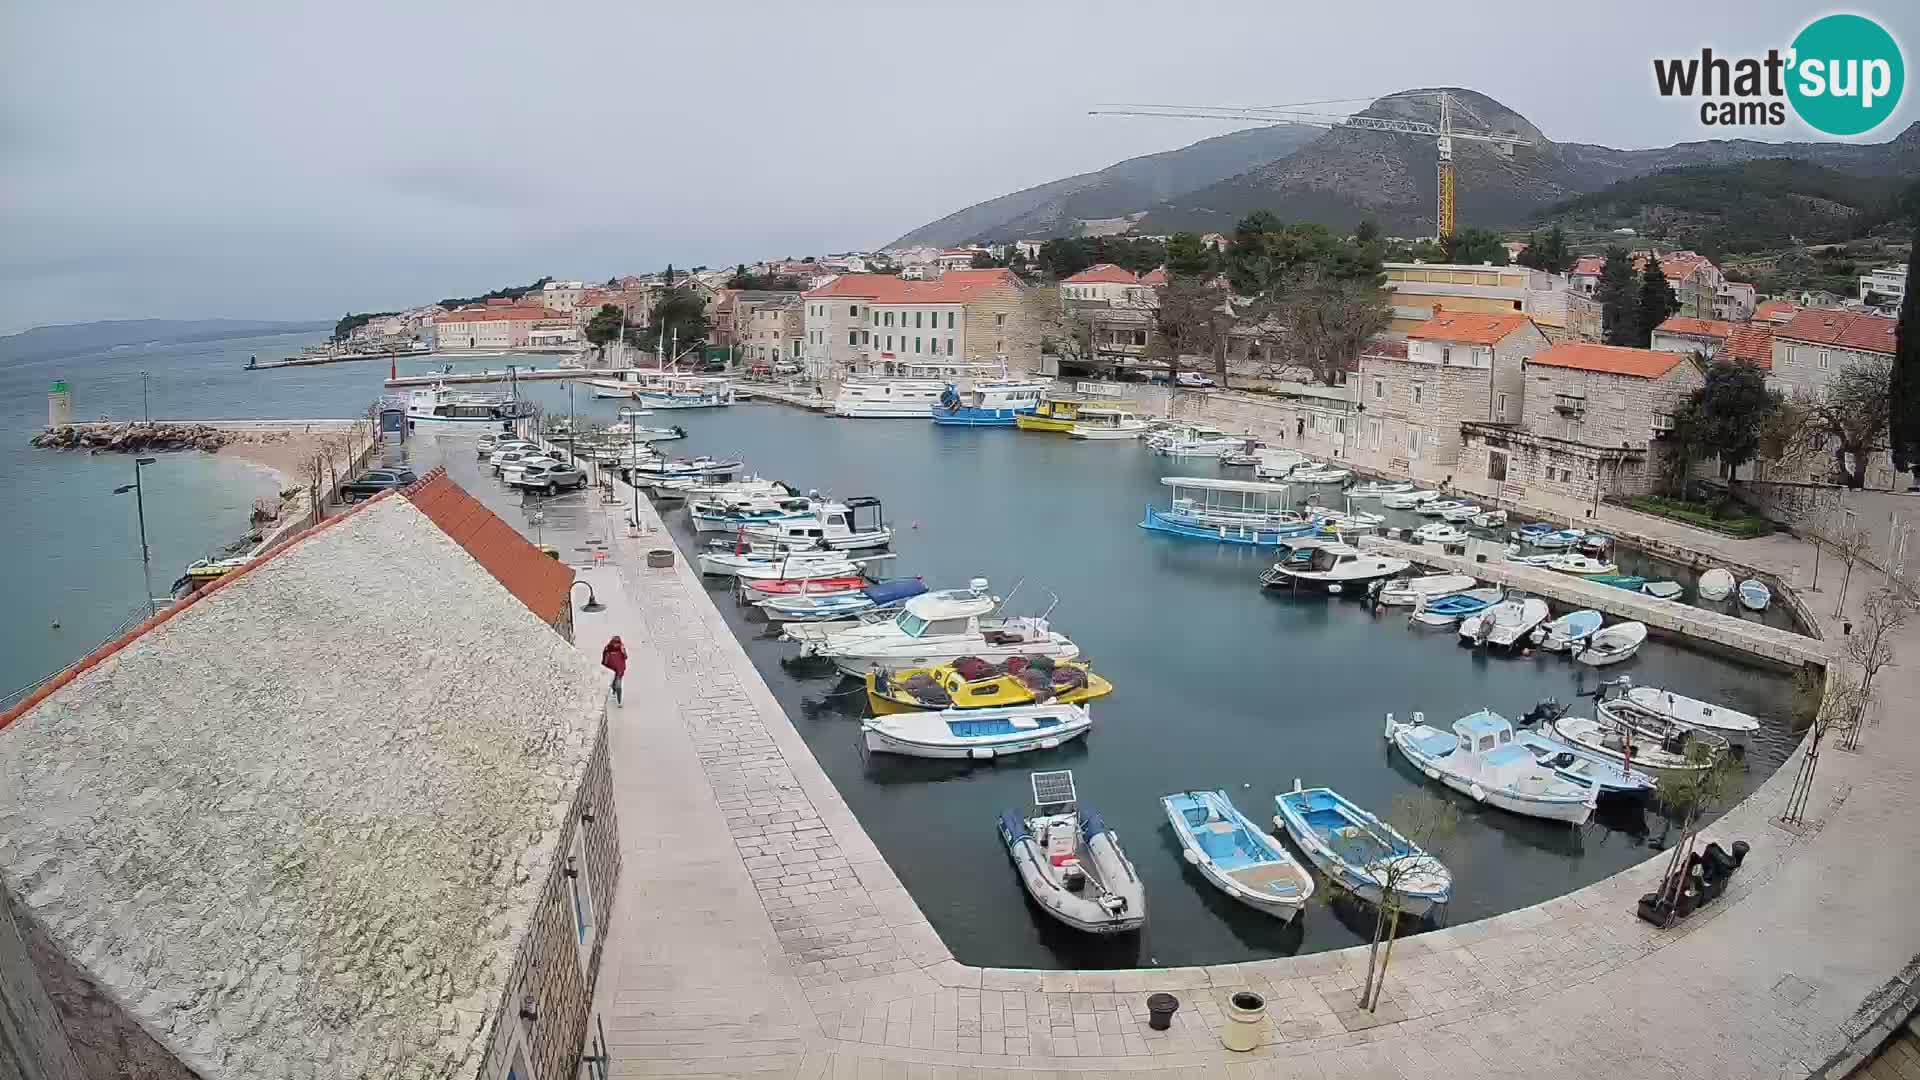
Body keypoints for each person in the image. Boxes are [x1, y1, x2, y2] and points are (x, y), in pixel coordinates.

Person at [601, 636, 628, 704]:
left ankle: (616, 695)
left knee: (615, 682)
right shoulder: (619, 647)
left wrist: (604, 665)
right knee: (617, 684)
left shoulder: (608, 648)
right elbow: (625, 657)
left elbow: (604, 659)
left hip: (613, 669)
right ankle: (619, 700)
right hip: (619, 669)